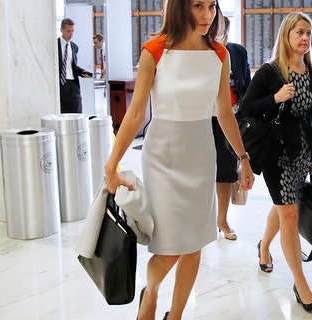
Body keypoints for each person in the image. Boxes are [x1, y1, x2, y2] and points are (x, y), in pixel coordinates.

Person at [103, 0, 255, 319]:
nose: (206, 15)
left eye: (211, 6)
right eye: (197, 6)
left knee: (195, 242)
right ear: (179, 7)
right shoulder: (154, 50)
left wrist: (243, 157)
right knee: (170, 246)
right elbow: (134, 114)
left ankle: (177, 314)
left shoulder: (219, 54)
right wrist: (111, 163)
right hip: (163, 154)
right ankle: (152, 291)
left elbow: (224, 112)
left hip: (201, 152)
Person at [240, 12, 312, 312]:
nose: (304, 38)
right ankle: (301, 285)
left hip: (301, 153)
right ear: (286, 35)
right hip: (277, 154)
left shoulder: (311, 74)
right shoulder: (271, 72)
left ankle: (263, 247)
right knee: (289, 214)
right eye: (299, 32)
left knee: (283, 208)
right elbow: (246, 108)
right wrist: (275, 98)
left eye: (308, 34)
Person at [213, 16, 251, 241]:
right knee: (202, 170)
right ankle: (206, 218)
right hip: (205, 117)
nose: (222, 38)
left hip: (232, 115)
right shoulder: (203, 53)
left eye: (225, 34)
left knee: (227, 171)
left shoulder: (237, 52)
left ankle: (222, 218)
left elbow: (245, 83)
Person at [57, 18, 92, 113]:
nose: (71, 34)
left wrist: (82, 72)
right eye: (68, 31)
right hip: (60, 84)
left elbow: (71, 66)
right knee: (62, 113)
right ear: (61, 30)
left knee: (77, 111)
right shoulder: (55, 45)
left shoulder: (74, 47)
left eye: (73, 31)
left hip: (72, 84)